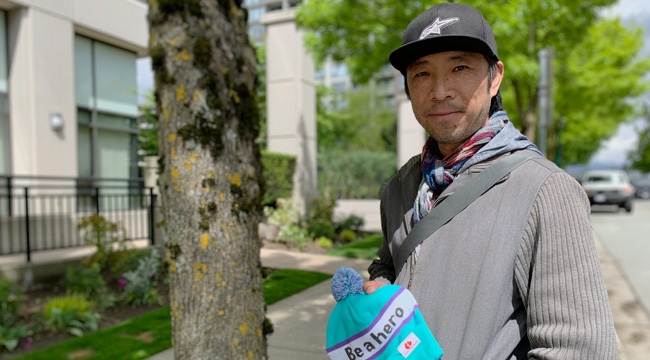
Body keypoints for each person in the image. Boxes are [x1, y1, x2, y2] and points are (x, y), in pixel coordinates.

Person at [363, 3, 618, 359]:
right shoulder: (401, 186)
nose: (439, 90)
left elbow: (580, 350)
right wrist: (381, 287)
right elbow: (390, 263)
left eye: (460, 67)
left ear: (494, 77)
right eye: (421, 74)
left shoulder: (545, 191)